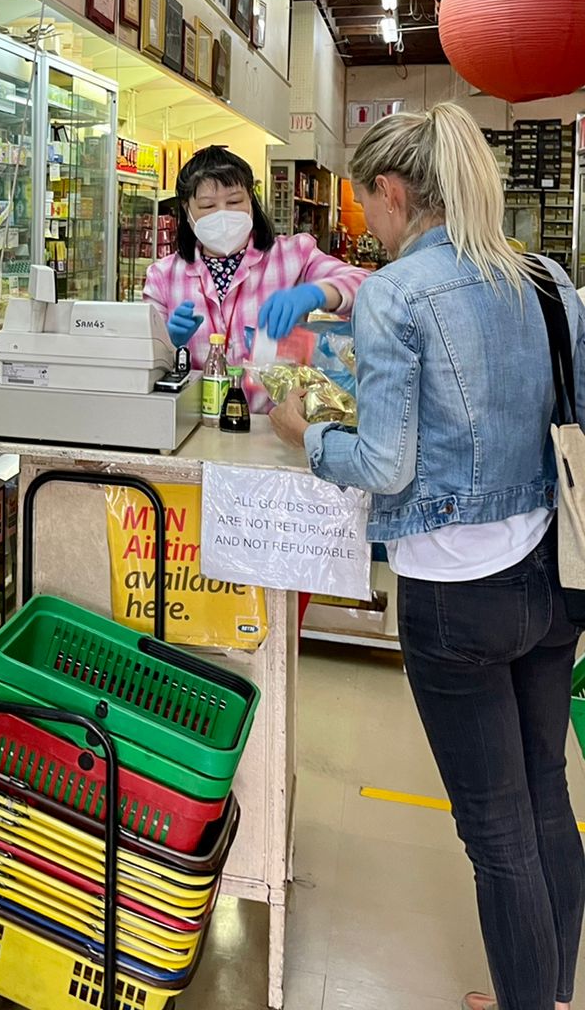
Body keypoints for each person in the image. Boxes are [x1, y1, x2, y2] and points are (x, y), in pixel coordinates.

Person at [270, 102, 584, 1010]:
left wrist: (305, 434)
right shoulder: (547, 279)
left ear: (393, 191)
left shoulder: (401, 294)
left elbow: (384, 464)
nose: (367, 222)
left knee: (496, 831)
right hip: (555, 574)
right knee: (547, 794)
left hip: (455, 592)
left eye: (366, 203)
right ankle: (548, 994)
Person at [142, 146, 368, 412]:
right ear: (187, 210)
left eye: (234, 201)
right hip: (193, 424)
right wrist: (167, 341)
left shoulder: (293, 255)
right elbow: (142, 367)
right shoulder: (164, 276)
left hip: (279, 423)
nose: (222, 214)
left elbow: (368, 287)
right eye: (207, 206)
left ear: (251, 199)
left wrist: (317, 293)